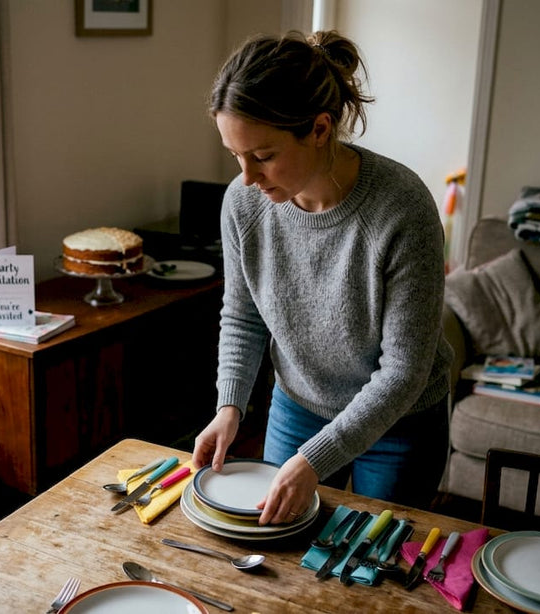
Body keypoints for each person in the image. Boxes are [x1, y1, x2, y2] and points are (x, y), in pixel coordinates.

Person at [192, 30, 454, 526]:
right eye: (235, 156)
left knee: (378, 566)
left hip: (400, 422)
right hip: (298, 405)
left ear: (318, 128)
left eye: (263, 155)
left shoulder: (401, 208)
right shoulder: (243, 204)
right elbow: (243, 318)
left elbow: (403, 371)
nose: (247, 176)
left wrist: (316, 460)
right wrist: (230, 405)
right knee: (284, 552)